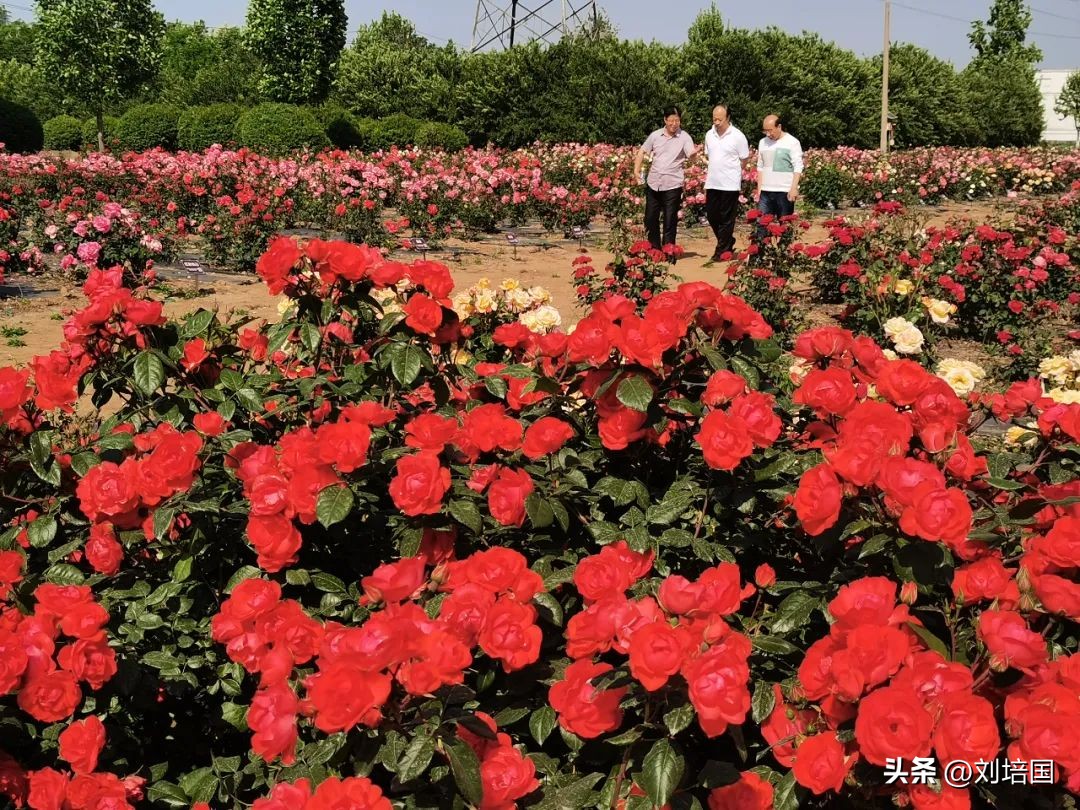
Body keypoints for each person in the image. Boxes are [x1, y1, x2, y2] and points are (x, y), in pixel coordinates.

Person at [634, 106, 700, 251]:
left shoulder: (685, 137)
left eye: (677, 121)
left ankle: (669, 250)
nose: (674, 124)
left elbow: (691, 155)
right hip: (654, 183)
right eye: (671, 120)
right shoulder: (655, 136)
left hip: (673, 184)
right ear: (665, 120)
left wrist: (694, 154)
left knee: (670, 220)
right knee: (650, 218)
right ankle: (654, 249)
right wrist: (636, 170)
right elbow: (642, 152)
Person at [703, 104, 751, 261]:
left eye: (720, 119)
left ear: (728, 118)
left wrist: (735, 172)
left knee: (726, 218)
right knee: (712, 215)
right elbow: (710, 155)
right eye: (714, 119)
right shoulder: (709, 134)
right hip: (712, 182)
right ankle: (728, 240)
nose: (716, 122)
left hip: (730, 183)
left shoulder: (737, 136)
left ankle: (721, 251)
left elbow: (744, 159)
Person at [754, 114, 803, 219]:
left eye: (770, 130)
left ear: (779, 127)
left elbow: (798, 166)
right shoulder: (762, 143)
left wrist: (793, 188)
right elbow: (760, 167)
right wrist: (759, 190)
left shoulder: (792, 142)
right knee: (762, 225)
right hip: (765, 192)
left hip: (784, 191)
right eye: (765, 131)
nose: (768, 134)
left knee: (784, 226)